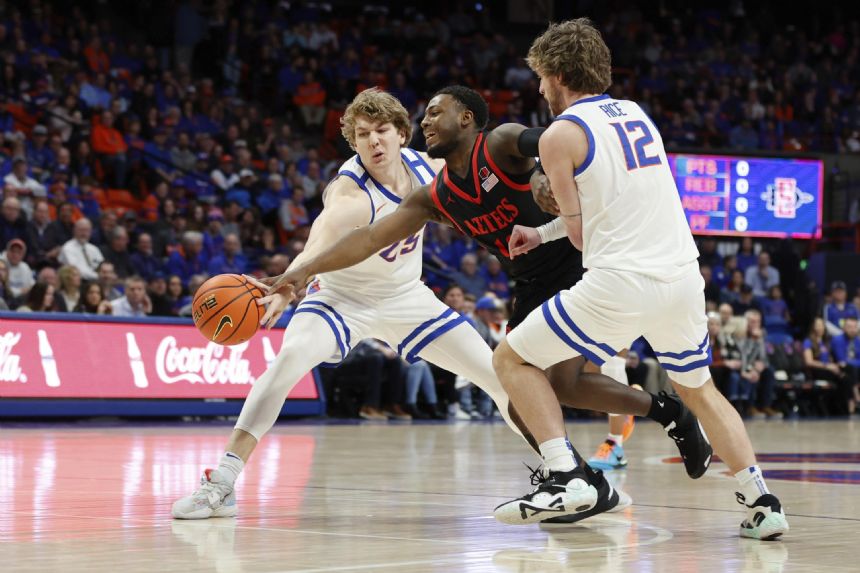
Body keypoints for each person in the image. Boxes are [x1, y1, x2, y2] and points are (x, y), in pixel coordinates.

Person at [265, 85, 711, 524]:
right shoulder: (435, 195)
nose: (425, 121)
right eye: (424, 114)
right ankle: (667, 414)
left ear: (466, 118)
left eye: (435, 111)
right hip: (531, 286)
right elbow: (366, 239)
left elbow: (554, 141)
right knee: (553, 387)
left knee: (512, 369)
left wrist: (541, 174)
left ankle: (570, 475)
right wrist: (301, 272)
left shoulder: (498, 144)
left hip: (580, 265)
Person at [487, 19, 787, 539]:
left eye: (540, 77)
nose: (538, 88)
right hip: (680, 280)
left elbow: (584, 239)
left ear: (557, 74)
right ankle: (762, 503)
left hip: (619, 282)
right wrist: (544, 234)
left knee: (511, 358)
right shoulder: (635, 114)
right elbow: (617, 203)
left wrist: (555, 217)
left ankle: (565, 476)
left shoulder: (559, 135)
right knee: (701, 390)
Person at [172, 88, 529, 519]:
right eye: (362, 135)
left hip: (407, 298)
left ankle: (565, 469)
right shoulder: (349, 192)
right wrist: (289, 285)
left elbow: (482, 164)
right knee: (287, 363)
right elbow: (316, 242)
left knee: (497, 376)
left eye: (381, 131)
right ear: (353, 143)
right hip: (340, 299)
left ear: (402, 134)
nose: (373, 142)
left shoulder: (428, 165)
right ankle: (222, 484)